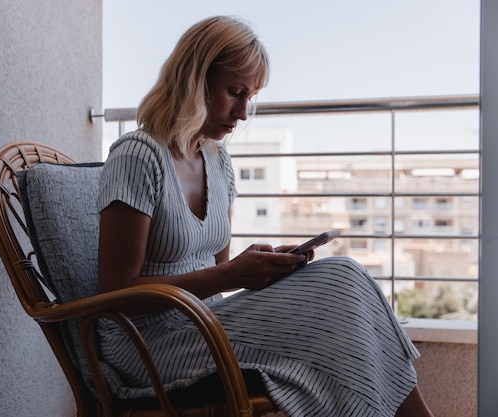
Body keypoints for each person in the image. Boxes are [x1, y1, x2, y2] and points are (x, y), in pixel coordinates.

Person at [97, 15, 434, 417]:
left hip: (203, 322)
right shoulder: (138, 155)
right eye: (234, 92)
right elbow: (115, 294)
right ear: (194, 79)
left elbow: (217, 273)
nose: (242, 113)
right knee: (339, 293)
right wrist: (232, 275)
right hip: (146, 347)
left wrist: (259, 267)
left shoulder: (217, 161)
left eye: (249, 96)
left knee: (342, 276)